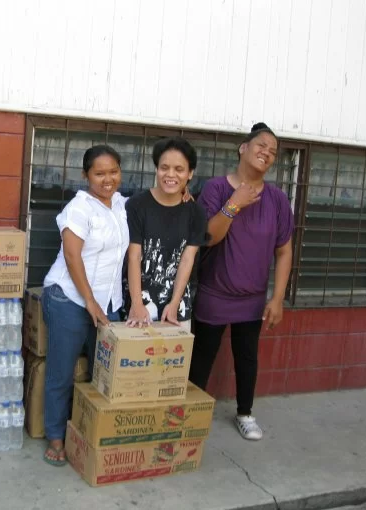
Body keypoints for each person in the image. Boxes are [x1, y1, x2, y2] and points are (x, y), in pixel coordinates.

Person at [189, 122, 294, 441]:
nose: (268, 153)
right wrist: (235, 203)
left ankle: (245, 413)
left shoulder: (277, 199)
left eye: (274, 151)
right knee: (201, 356)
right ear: (243, 148)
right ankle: (190, 415)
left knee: (247, 357)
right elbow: (208, 237)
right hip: (214, 292)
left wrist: (277, 299)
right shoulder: (216, 189)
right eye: (262, 145)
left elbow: (284, 251)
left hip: (252, 297)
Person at [42, 145, 128, 466]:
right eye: (99, 173)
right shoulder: (79, 208)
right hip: (70, 298)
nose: (108, 179)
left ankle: (90, 431)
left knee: (103, 372)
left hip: (108, 303)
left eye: (113, 171)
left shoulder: (122, 205)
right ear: (86, 175)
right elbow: (71, 255)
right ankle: (55, 434)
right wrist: (89, 301)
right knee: (61, 372)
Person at [125, 137, 207, 330]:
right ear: (156, 169)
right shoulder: (137, 205)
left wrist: (174, 304)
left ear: (190, 173)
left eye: (179, 169)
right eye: (164, 167)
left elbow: (188, 260)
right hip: (140, 309)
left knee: (174, 360)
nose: (170, 174)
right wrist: (137, 304)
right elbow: (134, 256)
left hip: (177, 309)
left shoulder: (196, 212)